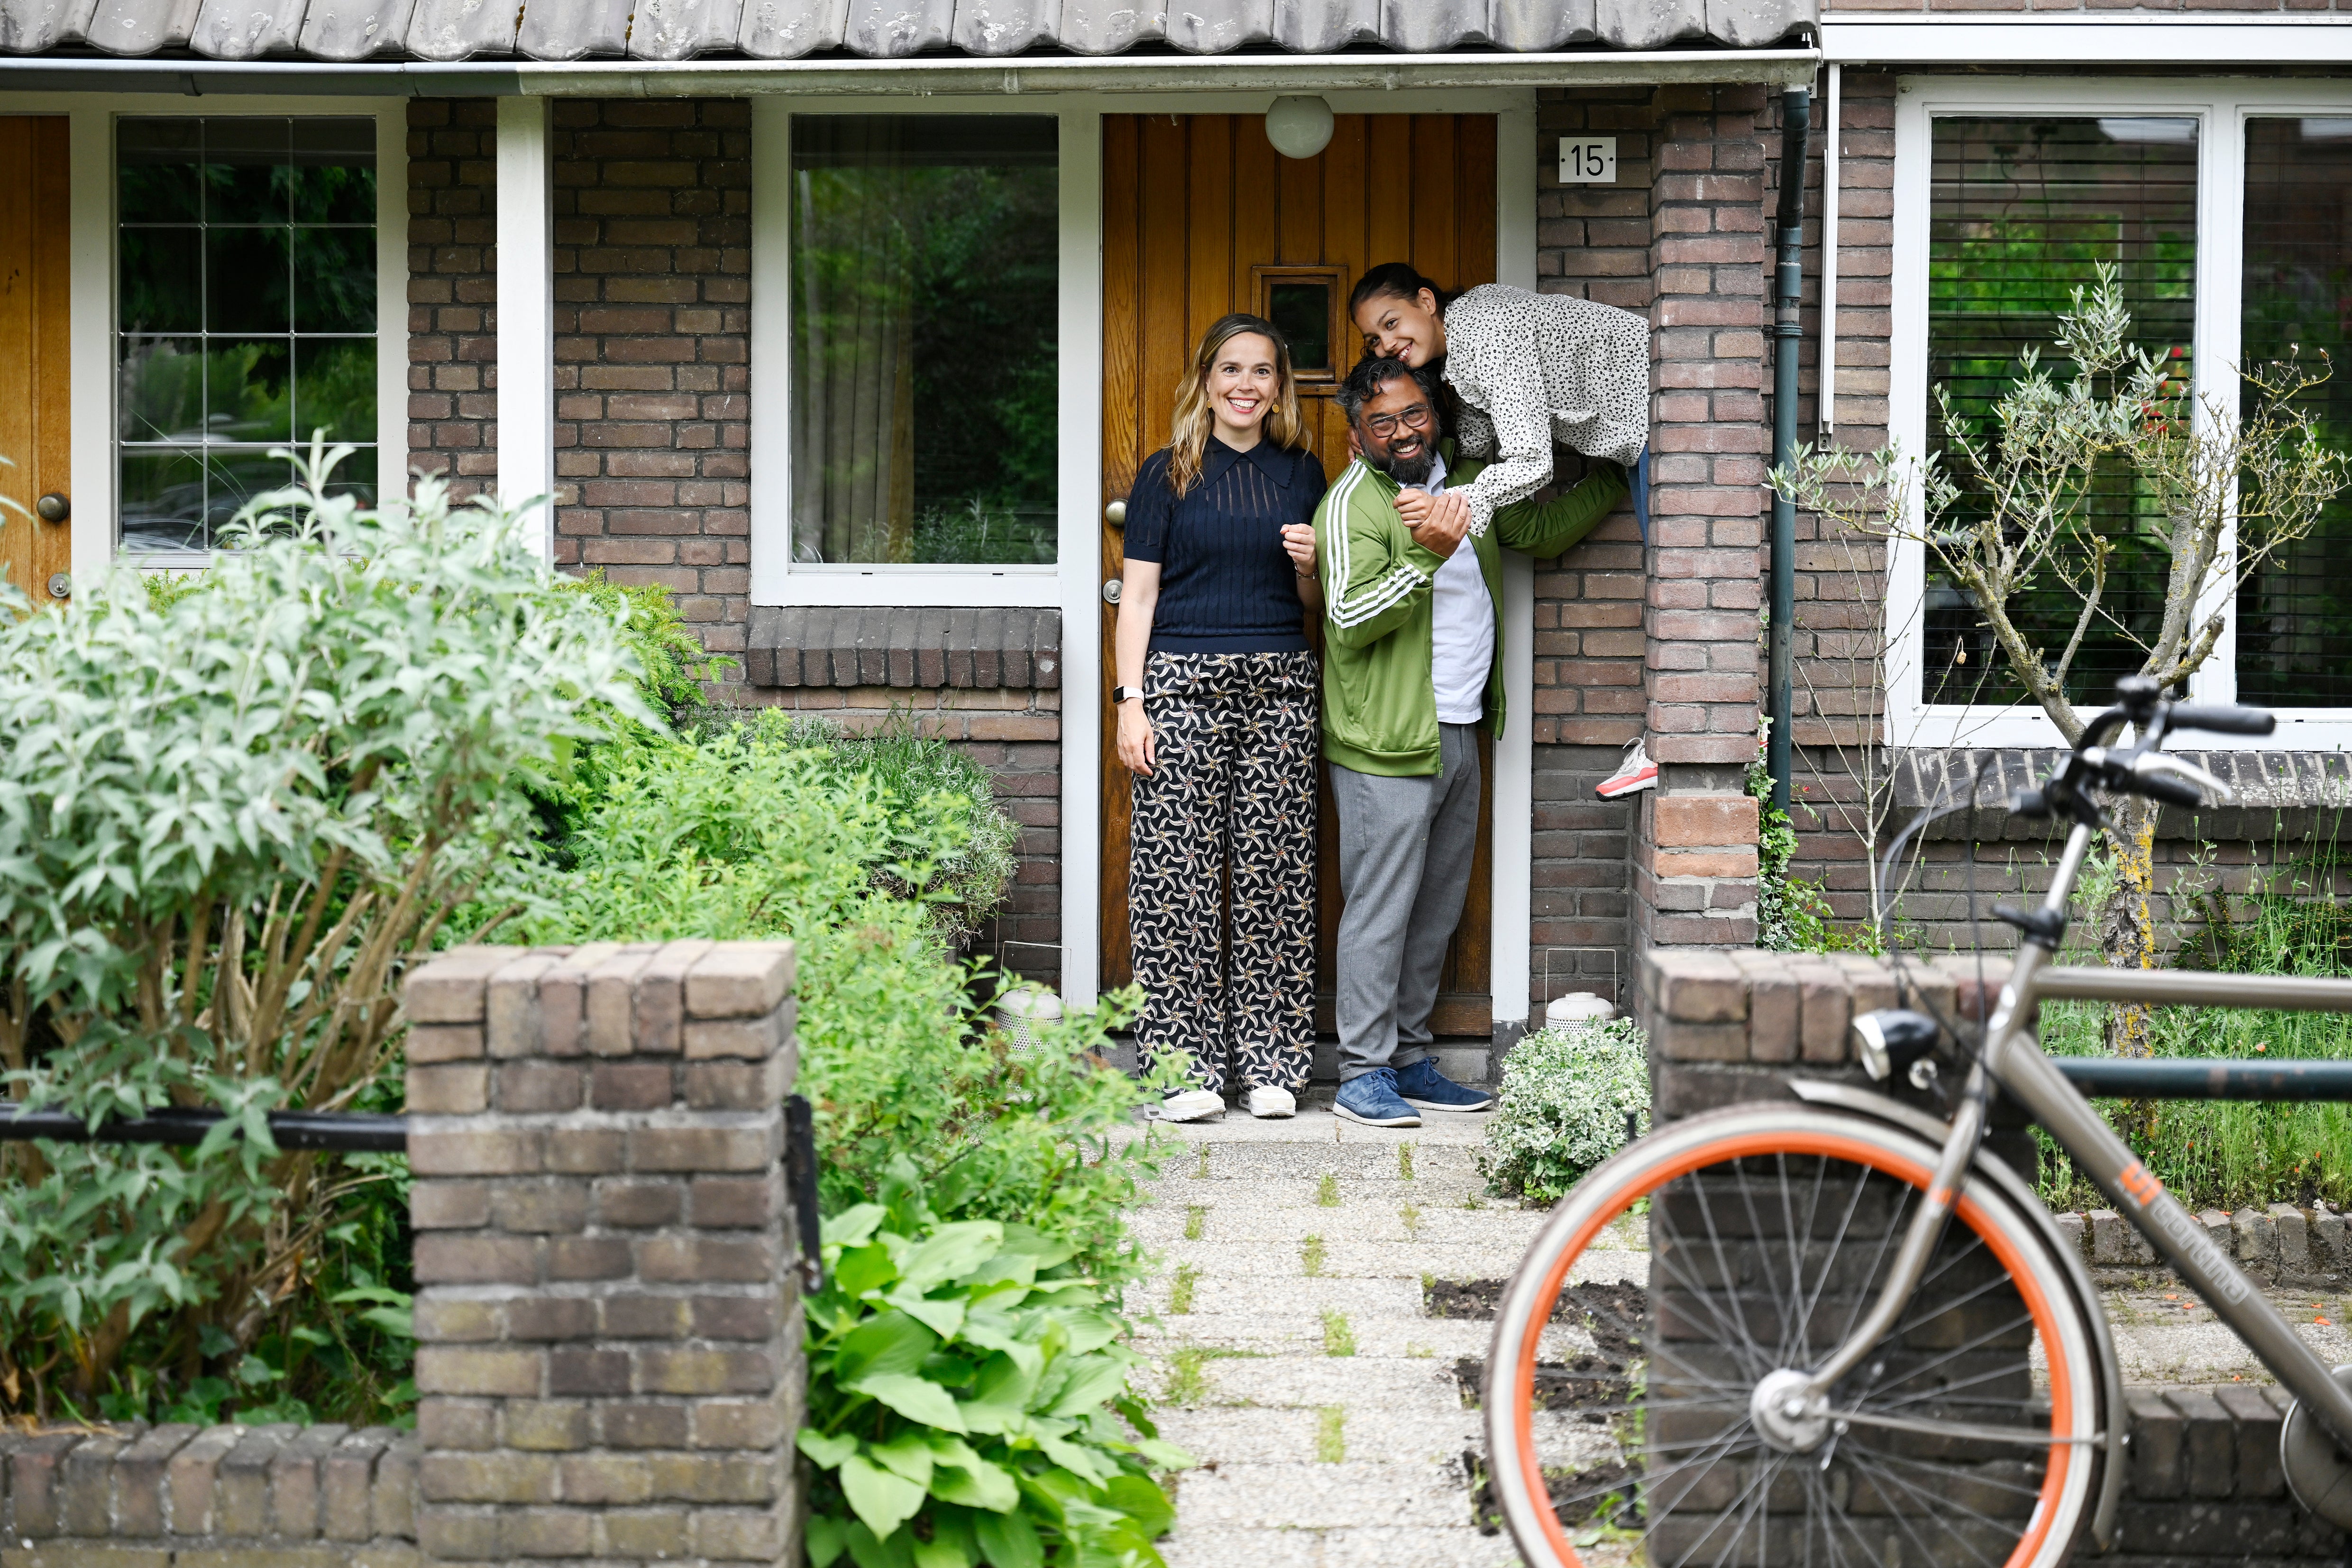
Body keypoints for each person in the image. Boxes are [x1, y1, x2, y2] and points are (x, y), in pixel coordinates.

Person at [1315, 354, 1627, 1129]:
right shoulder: (1353, 504)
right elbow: (1351, 618)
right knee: (1380, 911)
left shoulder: (1470, 491)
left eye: (1413, 412)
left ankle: (1412, 1059)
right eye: (1382, 421)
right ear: (1358, 437)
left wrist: (1622, 472)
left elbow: (1538, 530)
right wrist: (1428, 551)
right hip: (1384, 740)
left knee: (1434, 911)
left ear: (1437, 413)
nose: (1403, 431)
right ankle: (1361, 1073)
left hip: (1456, 727)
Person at [1115, 313, 1327, 1123]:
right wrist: (1130, 701)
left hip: (1280, 684)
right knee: (1177, 883)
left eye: (1262, 371)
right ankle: (1182, 1071)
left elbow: (1311, 606)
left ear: (1279, 387)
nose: (1246, 384)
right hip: (1180, 684)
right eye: (1231, 369)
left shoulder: (1304, 473)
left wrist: (1311, 569)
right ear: (1205, 380)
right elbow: (1137, 597)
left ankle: (1273, 1066)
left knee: (1276, 875)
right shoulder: (1165, 473)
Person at [1348, 263, 1657, 800]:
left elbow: (1531, 460)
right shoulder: (1461, 353)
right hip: (1640, 437)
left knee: (1684, 587)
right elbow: (1471, 442)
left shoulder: (1486, 328)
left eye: (1392, 322)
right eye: (1373, 339)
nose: (1386, 344)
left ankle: (1680, 742)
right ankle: (1674, 739)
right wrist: (1379, 457)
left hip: (1668, 419)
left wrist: (1457, 504)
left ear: (1426, 300)